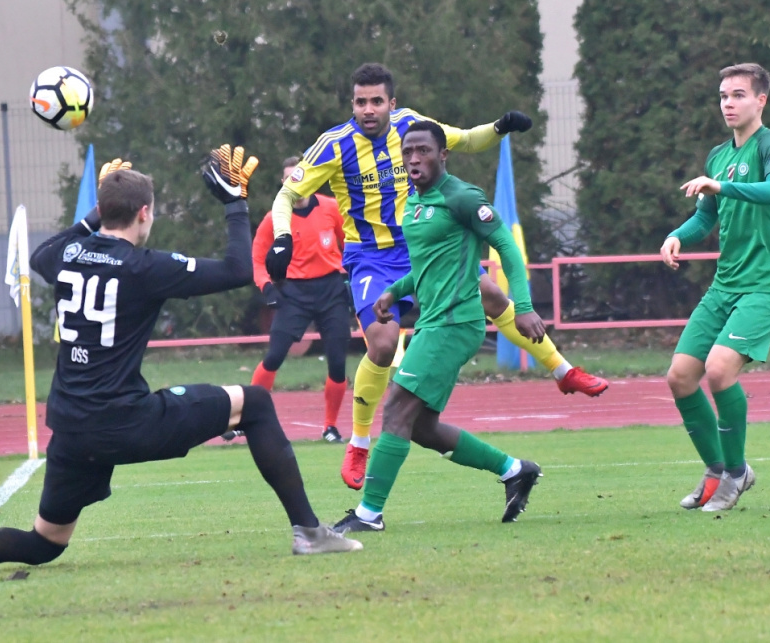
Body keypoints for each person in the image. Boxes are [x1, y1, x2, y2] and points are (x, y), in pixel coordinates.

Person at [0, 148, 362, 566]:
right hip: (126, 422)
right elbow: (237, 270)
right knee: (256, 403)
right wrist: (235, 204)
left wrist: (97, 212)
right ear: (143, 213)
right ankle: (309, 533)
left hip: (72, 428)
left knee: (45, 543)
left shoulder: (66, 255)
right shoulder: (143, 267)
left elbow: (42, 255)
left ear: (104, 210)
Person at [264, 62, 608, 491]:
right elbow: (286, 195)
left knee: (492, 296)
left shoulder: (411, 127)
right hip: (371, 258)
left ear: (391, 103)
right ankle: (358, 442)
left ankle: (563, 372)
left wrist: (500, 127)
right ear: (352, 103)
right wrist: (283, 237)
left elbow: (464, 140)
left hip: (422, 245)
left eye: (376, 101)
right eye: (360, 102)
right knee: (383, 344)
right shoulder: (334, 145)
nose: (368, 109)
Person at [333, 121, 542, 534]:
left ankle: (369, 514)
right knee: (421, 427)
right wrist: (394, 292)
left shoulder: (462, 197)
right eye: (408, 151)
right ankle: (515, 470)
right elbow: (428, 265)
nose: (414, 158)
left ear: (443, 154)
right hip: (432, 321)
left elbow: (506, 247)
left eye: (423, 151)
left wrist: (523, 306)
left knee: (395, 407)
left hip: (455, 321)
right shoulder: (414, 202)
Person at [660, 63, 770, 512]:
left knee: (719, 371)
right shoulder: (718, 156)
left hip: (765, 286)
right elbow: (705, 217)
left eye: (738, 95)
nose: (728, 104)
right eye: (723, 96)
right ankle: (717, 470)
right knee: (680, 377)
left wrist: (723, 185)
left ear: (761, 100)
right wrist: (677, 235)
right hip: (724, 287)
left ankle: (737, 473)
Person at [224, 156, 351, 443]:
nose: (298, 183)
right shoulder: (275, 217)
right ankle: (245, 418)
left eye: (302, 176)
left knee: (337, 363)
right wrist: (267, 287)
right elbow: (257, 259)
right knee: (274, 356)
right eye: (291, 178)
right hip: (294, 294)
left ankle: (330, 427)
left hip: (331, 291)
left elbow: (351, 244)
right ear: (283, 183)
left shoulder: (331, 208)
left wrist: (354, 276)